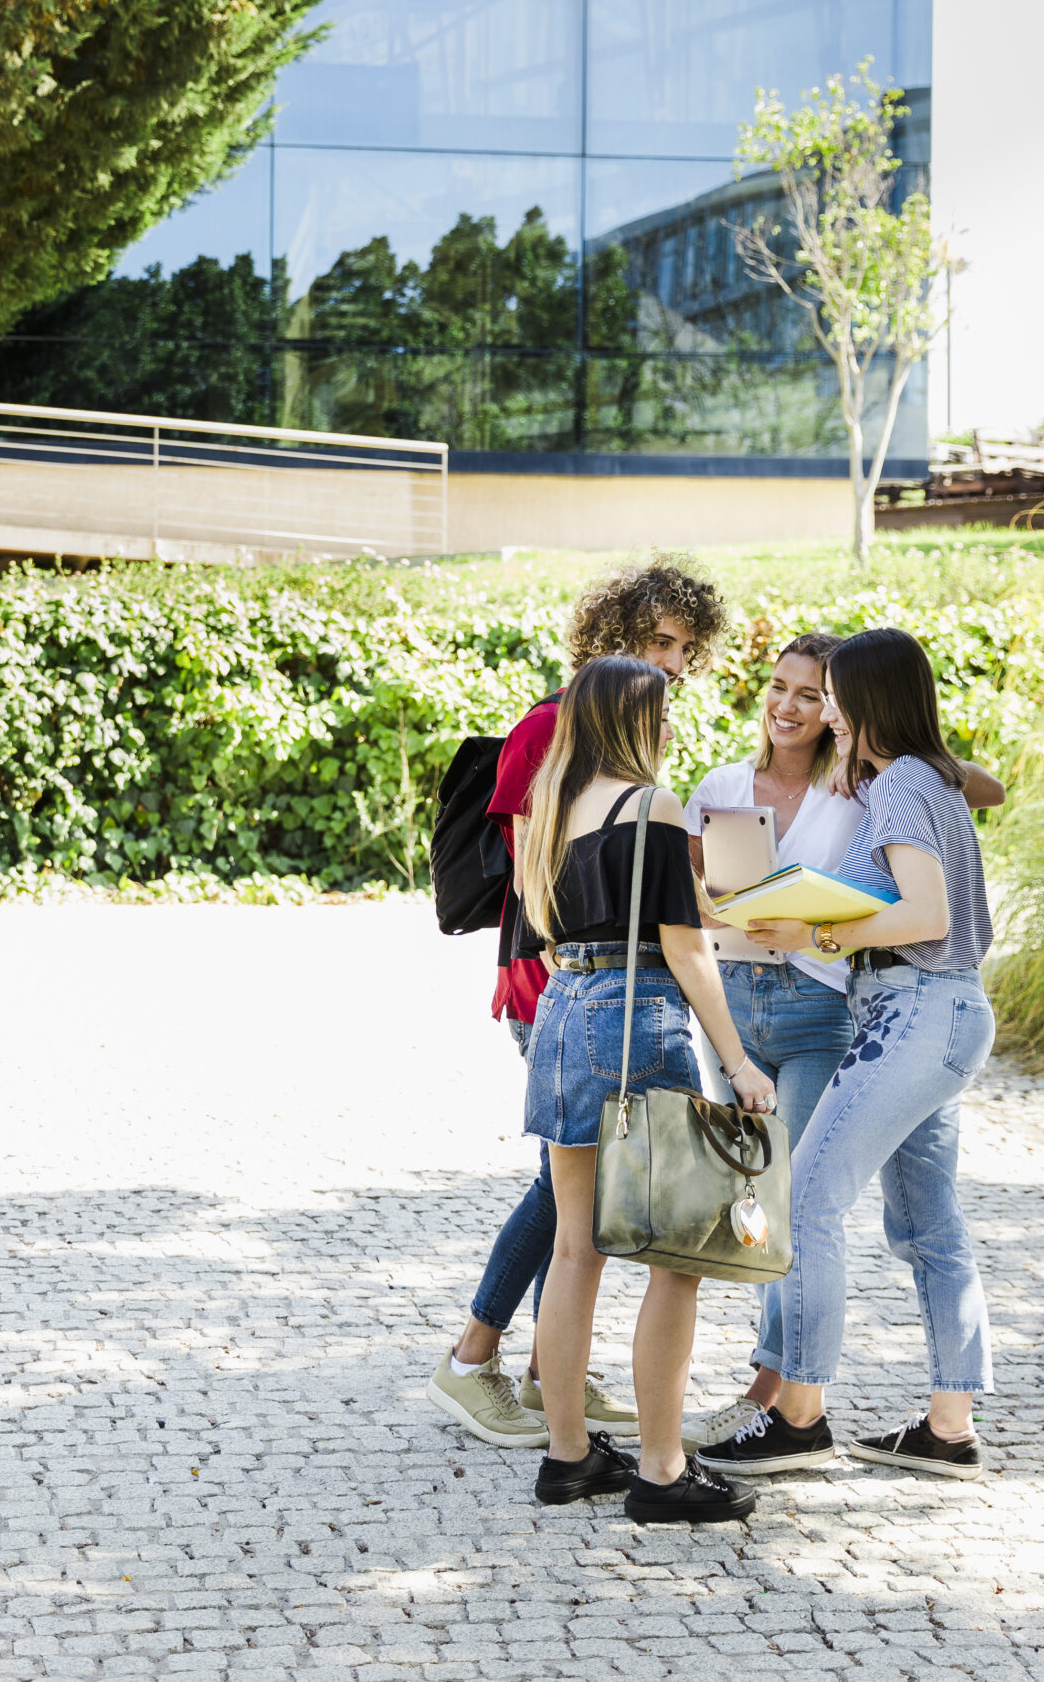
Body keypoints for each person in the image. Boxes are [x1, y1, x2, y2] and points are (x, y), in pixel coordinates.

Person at [677, 635, 1007, 1450]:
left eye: (832, 695)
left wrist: (819, 931)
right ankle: (948, 1427)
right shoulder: (923, 777)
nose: (823, 709)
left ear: (863, 701)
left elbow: (924, 913)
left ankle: (799, 1415)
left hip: (914, 1010)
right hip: (945, 1010)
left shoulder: (898, 784)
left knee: (809, 1196)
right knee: (928, 1222)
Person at [425, 562, 726, 1449]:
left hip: (579, 982)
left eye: (683, 647)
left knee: (575, 1201)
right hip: (556, 982)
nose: (672, 663)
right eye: (657, 642)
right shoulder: (550, 730)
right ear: (612, 638)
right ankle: (473, 1357)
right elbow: (534, 874)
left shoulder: (623, 746)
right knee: (568, 1204)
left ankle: (553, 1378)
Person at [514, 654, 773, 1519]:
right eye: (660, 714)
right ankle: (662, 1471)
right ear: (630, 720)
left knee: (575, 1250)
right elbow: (687, 948)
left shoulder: (548, 808)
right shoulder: (651, 806)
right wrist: (738, 1063)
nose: (669, 728)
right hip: (635, 1012)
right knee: (676, 1255)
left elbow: (543, 938)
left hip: (562, 1012)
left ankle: (568, 1456)